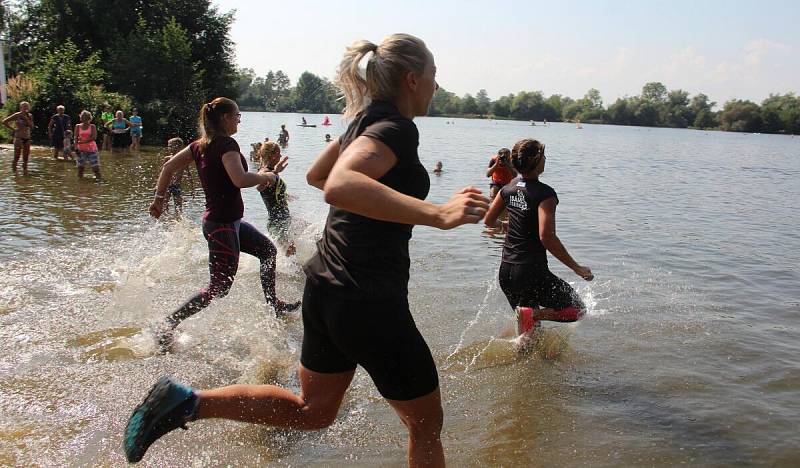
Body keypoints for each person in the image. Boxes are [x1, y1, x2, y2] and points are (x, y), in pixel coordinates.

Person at [123, 34, 490, 467]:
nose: (437, 86)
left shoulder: (362, 122)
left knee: (312, 411)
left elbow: (317, 175)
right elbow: (339, 184)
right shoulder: (395, 127)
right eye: (434, 76)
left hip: (326, 286)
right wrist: (438, 213)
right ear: (412, 79)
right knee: (426, 425)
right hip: (369, 296)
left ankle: (186, 403)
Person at [143, 97, 300, 353]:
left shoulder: (199, 145)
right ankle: (167, 323)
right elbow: (239, 179)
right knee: (219, 287)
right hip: (221, 225)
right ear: (226, 118)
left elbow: (169, 166)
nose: (239, 119)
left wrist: (159, 198)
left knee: (268, 252)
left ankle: (274, 305)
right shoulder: (227, 144)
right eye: (237, 115)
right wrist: (268, 176)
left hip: (228, 222)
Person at [483, 138, 593, 340]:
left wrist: (505, 225)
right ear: (536, 160)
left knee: (529, 336)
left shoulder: (508, 188)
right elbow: (547, 237)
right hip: (531, 272)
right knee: (577, 309)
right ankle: (535, 314)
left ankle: (527, 362)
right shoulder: (545, 194)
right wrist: (577, 268)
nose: (545, 160)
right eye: (543, 156)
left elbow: (489, 220)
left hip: (506, 271)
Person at [256, 141, 295, 256]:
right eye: (279, 153)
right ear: (272, 156)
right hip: (276, 222)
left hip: (285, 219)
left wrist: (286, 196)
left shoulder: (271, 171)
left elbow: (274, 192)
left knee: (312, 232)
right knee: (290, 253)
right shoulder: (264, 172)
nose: (281, 156)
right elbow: (259, 187)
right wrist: (276, 171)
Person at [163, 137, 192, 214]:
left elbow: (188, 174)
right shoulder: (167, 158)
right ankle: (166, 220)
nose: (169, 148)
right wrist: (157, 186)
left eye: (171, 146)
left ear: (179, 147)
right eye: (168, 146)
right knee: (165, 204)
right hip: (167, 185)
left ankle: (178, 219)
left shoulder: (184, 159)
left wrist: (192, 189)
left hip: (177, 186)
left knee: (178, 206)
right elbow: (162, 173)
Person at [3, 101, 34, 173]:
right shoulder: (17, 115)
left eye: (27, 106)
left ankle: (25, 173)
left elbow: (32, 126)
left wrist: (27, 119)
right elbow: (4, 121)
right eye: (24, 106)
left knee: (26, 158)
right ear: (21, 108)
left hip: (27, 137)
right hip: (19, 137)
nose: (26, 108)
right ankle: (15, 174)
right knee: (16, 157)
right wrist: (13, 129)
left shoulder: (30, 115)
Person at [74, 110, 101, 179]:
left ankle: (99, 182)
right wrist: (75, 147)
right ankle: (80, 183)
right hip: (81, 150)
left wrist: (83, 141)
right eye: (82, 117)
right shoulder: (78, 126)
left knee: (96, 168)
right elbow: (76, 137)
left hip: (92, 149)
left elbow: (94, 137)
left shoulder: (92, 126)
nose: (83, 119)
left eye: (85, 117)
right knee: (80, 169)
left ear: (89, 118)